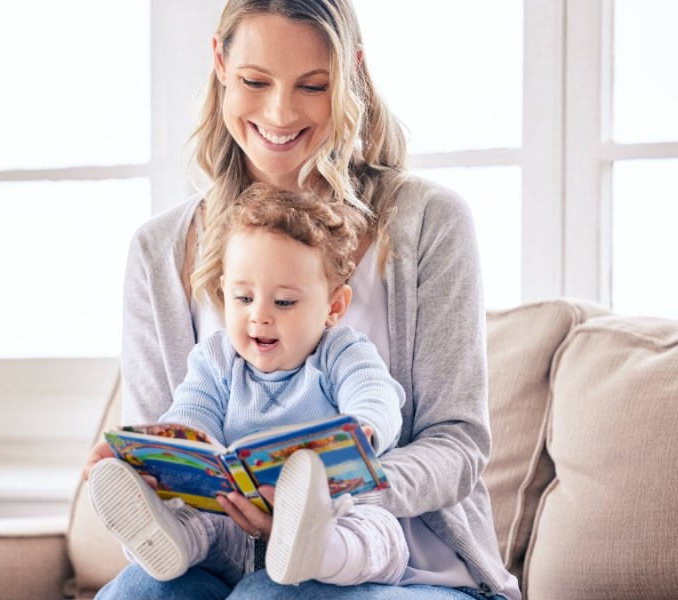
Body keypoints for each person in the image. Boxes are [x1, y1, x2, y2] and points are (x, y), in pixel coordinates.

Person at [82, 0, 522, 598]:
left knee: (273, 595)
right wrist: (150, 464)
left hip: (403, 566)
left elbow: (459, 443)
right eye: (254, 81)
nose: (280, 112)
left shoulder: (430, 223)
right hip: (219, 562)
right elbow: (180, 425)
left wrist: (320, 497)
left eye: (312, 85)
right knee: (139, 593)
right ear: (219, 63)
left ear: (351, 77)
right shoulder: (158, 252)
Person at [89, 182, 409, 589]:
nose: (259, 317)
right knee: (199, 519)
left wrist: (366, 425)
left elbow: (373, 393)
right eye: (243, 298)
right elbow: (191, 415)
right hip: (232, 527)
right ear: (224, 293)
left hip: (332, 511)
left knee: (378, 531)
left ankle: (317, 549)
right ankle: (168, 541)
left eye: (284, 303)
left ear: (333, 307)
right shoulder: (216, 359)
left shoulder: (341, 351)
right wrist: (163, 454)